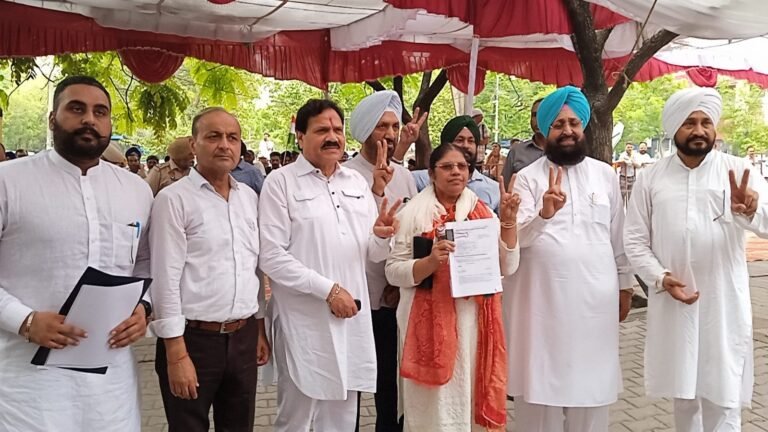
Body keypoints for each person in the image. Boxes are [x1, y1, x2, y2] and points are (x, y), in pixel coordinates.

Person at [0, 75, 152, 431]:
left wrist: (145, 308)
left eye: (100, 112)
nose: (89, 120)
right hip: (28, 383)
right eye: (76, 108)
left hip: (112, 383)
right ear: (52, 118)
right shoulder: (8, 181)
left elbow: (145, 263)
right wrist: (23, 320)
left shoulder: (136, 190)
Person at [624, 87, 768, 432]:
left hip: (723, 302)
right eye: (690, 122)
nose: (699, 130)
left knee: (724, 392)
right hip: (674, 299)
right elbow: (634, 239)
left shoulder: (739, 169)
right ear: (675, 127)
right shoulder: (651, 177)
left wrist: (750, 211)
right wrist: (659, 277)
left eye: (706, 122)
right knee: (685, 396)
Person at [258, 98, 401, 432]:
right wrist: (329, 291)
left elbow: (372, 253)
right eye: (322, 130)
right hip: (304, 319)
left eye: (337, 129)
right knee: (297, 418)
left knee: (341, 417)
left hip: (350, 318)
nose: (332, 137)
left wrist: (382, 237)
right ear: (300, 136)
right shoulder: (281, 183)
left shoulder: (356, 183)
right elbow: (272, 256)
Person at [505, 86, 635, 432]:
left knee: (590, 397)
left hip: (594, 307)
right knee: (540, 400)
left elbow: (618, 236)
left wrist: (625, 285)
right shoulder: (526, 180)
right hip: (540, 308)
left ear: (583, 127)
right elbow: (515, 242)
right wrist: (544, 215)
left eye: (574, 123)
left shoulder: (604, 175)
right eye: (558, 124)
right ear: (545, 131)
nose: (567, 131)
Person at [150, 107, 270, 432]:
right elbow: (164, 280)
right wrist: (176, 354)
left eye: (232, 138)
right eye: (213, 136)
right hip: (192, 341)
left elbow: (253, 269)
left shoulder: (249, 198)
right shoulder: (173, 200)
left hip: (243, 336)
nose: (224, 145)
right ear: (194, 144)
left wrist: (259, 328)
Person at [385, 143, 520, 431]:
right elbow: (393, 272)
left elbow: (507, 266)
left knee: (466, 402)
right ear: (432, 174)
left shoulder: (483, 214)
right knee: (431, 409)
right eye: (447, 167)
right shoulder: (412, 215)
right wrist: (430, 263)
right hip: (424, 331)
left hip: (473, 327)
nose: (456, 172)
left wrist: (508, 223)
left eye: (462, 166)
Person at [345, 90, 419, 431]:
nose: (389, 134)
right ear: (364, 130)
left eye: (393, 127)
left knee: (390, 386)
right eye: (381, 126)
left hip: (393, 298)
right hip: (353, 297)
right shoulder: (343, 175)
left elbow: (414, 231)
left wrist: (398, 282)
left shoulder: (404, 176)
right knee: (350, 389)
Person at [412, 116, 500, 213]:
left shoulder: (494, 189)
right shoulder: (419, 179)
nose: (466, 145)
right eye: (459, 140)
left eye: (471, 141)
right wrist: (404, 145)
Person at [501, 99, 546, 189]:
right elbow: (505, 187)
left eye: (543, 114)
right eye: (534, 115)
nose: (537, 120)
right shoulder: (516, 151)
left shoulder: (563, 151)